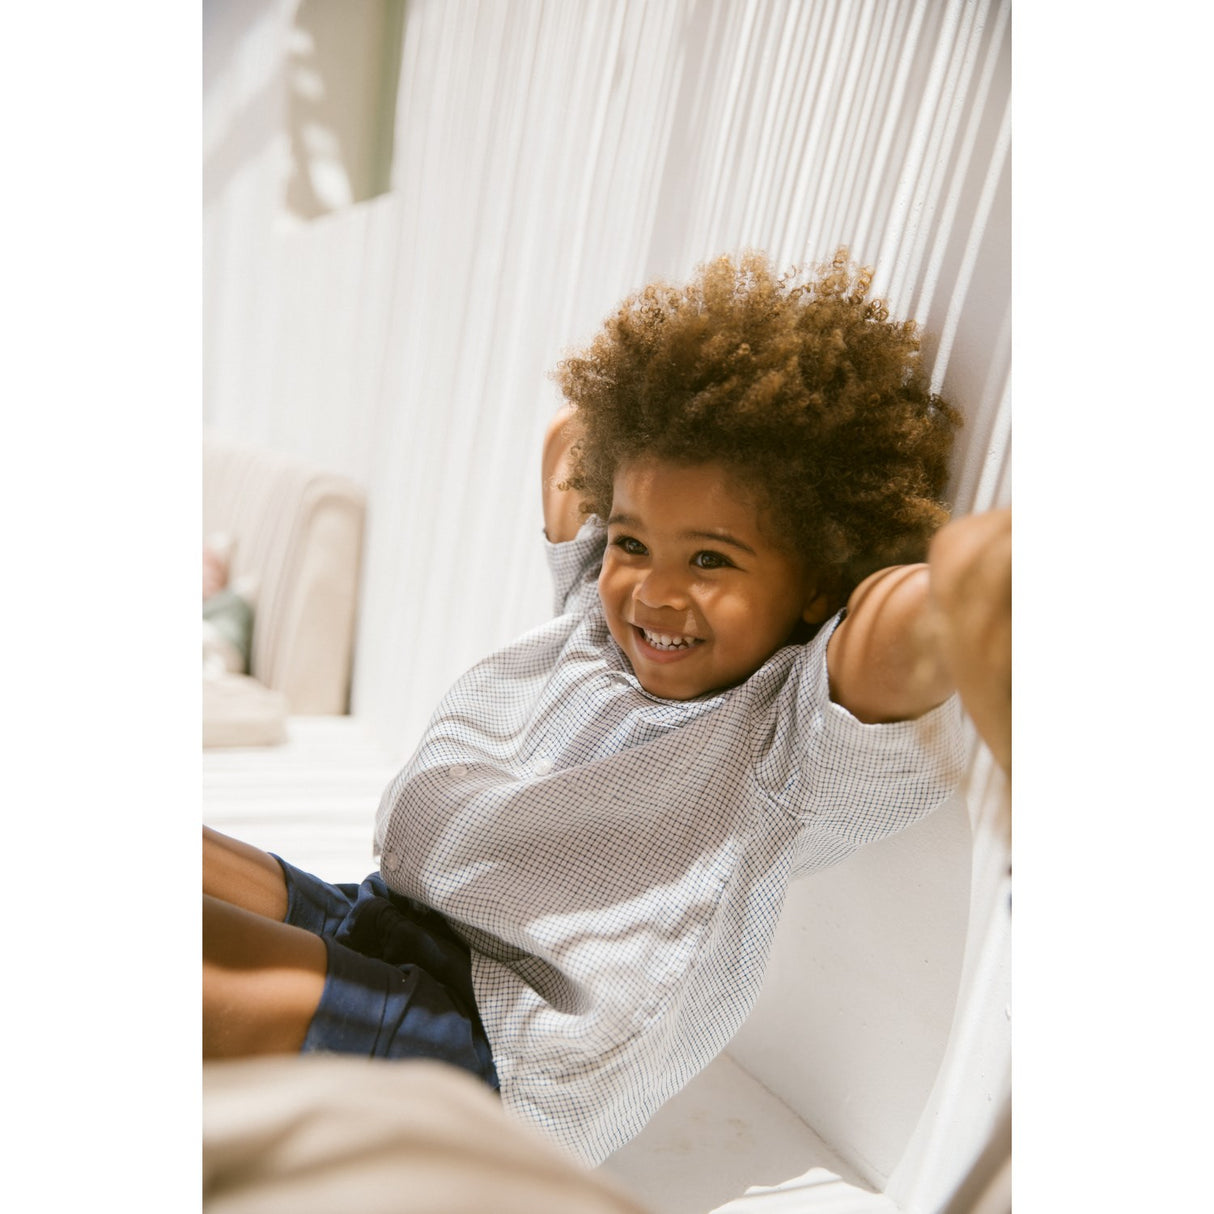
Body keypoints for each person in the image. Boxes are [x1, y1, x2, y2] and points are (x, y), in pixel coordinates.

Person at [204, 249, 992, 1166]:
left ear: (818, 580)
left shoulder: (785, 744)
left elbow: (914, 621)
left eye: (710, 560)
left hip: (486, 1056)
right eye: (632, 544)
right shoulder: (597, 619)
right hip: (391, 916)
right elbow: (570, 440)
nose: (653, 592)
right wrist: (655, 418)